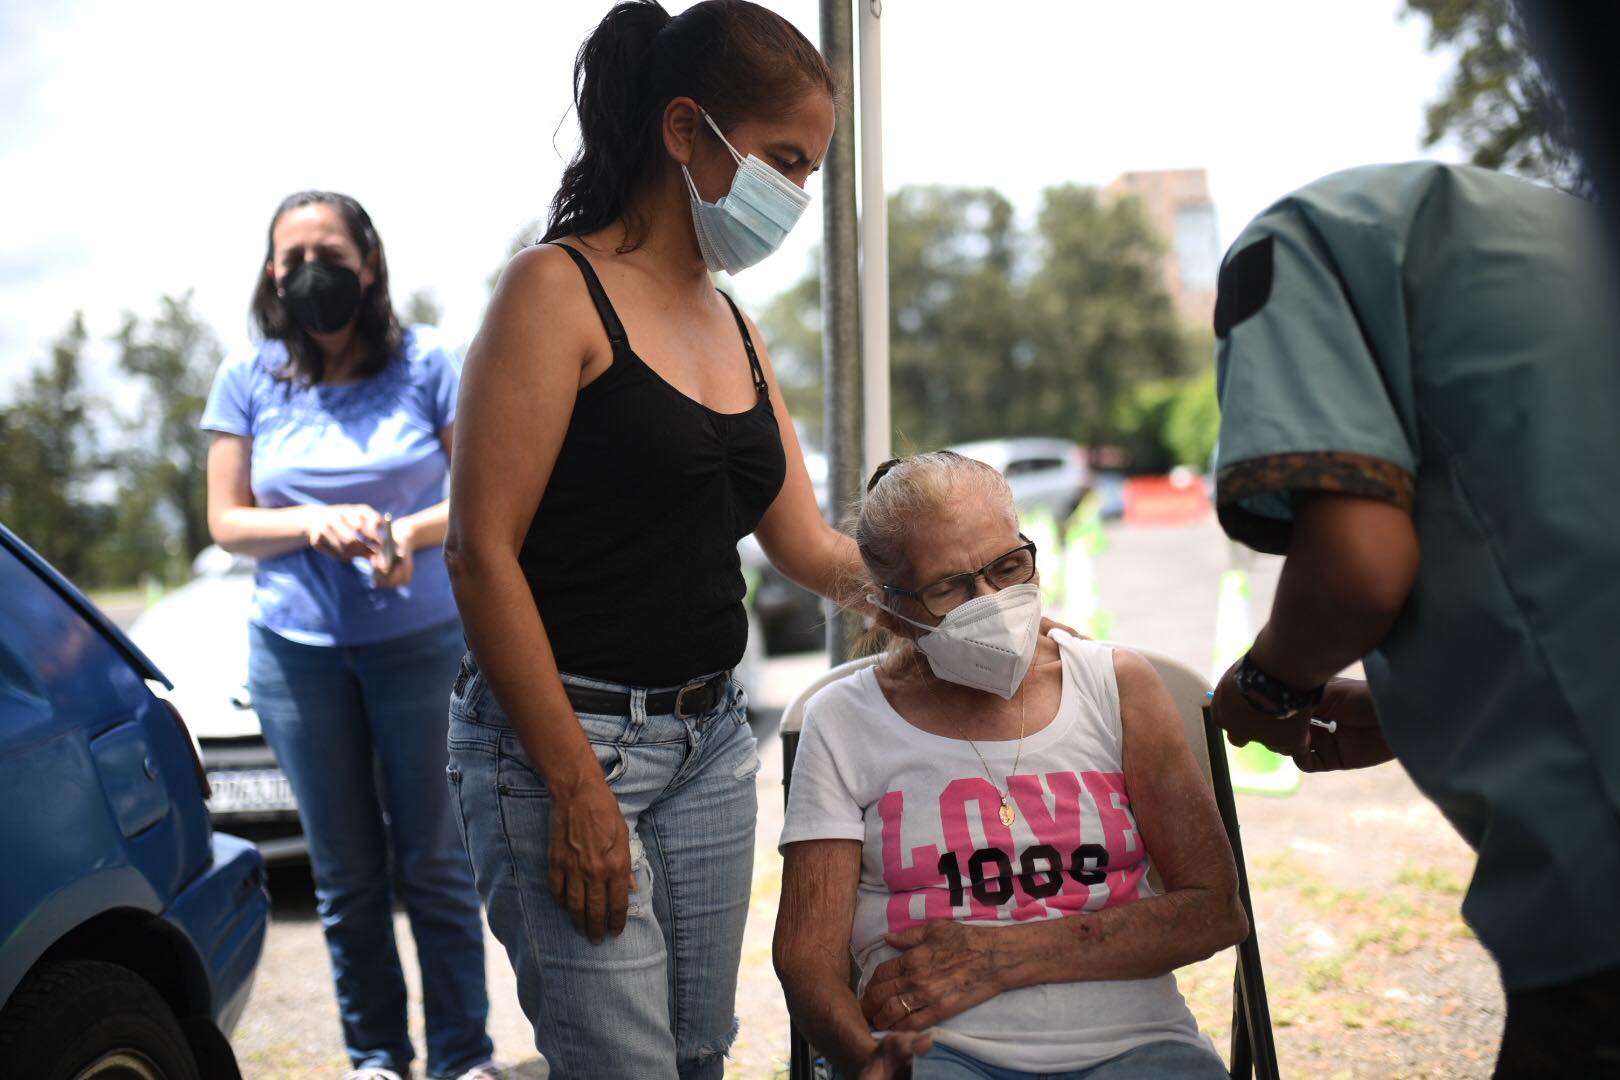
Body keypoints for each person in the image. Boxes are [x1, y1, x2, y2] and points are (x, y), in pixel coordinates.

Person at [440, 3, 863, 1076]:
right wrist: (577, 786)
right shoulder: (556, 291)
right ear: (685, 130)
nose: (796, 197)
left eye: (809, 170)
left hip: (712, 743)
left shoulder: (733, 319)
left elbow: (807, 546)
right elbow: (478, 553)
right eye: (783, 160)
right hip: (565, 755)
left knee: (697, 1055)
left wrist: (956, 582)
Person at [1207, 161, 1620, 1077]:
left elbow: (1357, 568)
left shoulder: (1293, 246)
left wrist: (1274, 684)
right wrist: (1422, 707)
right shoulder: (1556, 231)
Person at [775, 451, 1249, 1080]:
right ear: (890, 609)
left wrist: (1003, 955)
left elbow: (1214, 910)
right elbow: (807, 959)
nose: (993, 601)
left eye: (1008, 567)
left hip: (1137, 1046)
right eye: (949, 586)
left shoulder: (1118, 686)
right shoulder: (844, 721)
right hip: (939, 1054)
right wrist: (867, 1063)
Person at [202, 190, 498, 1080]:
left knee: (436, 862)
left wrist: (406, 534)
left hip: (422, 645)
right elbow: (226, 520)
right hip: (296, 657)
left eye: (325, 252)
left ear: (368, 261)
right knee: (345, 877)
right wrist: (313, 523)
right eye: (288, 260)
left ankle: (462, 1057)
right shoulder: (248, 378)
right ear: (270, 275)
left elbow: (485, 491)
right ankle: (376, 1057)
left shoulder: (432, 362)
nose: (307, 272)